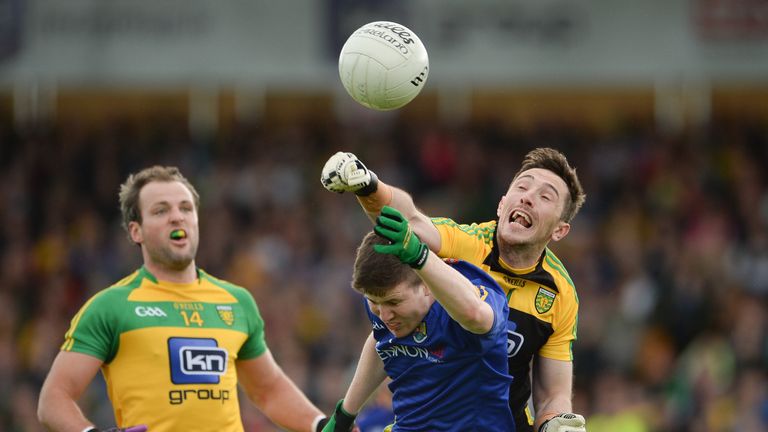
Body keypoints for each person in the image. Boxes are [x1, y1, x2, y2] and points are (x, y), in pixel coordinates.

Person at [38, 166, 328, 432]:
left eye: (186, 208)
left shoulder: (237, 301)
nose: (177, 217)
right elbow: (53, 398)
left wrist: (321, 424)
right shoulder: (110, 307)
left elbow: (268, 389)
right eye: (161, 210)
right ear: (136, 231)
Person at [321, 148, 588, 432]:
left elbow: (553, 395)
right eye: (522, 187)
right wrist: (369, 185)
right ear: (501, 205)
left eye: (545, 196)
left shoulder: (559, 294)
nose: (527, 197)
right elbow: (409, 220)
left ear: (560, 230)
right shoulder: (463, 244)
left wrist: (556, 424)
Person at [322, 208, 515, 431]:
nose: (384, 315)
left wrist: (419, 257)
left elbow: (476, 316)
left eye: (394, 302)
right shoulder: (383, 304)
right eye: (373, 302)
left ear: (426, 285)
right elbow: (381, 341)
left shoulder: (466, 296)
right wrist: (345, 415)